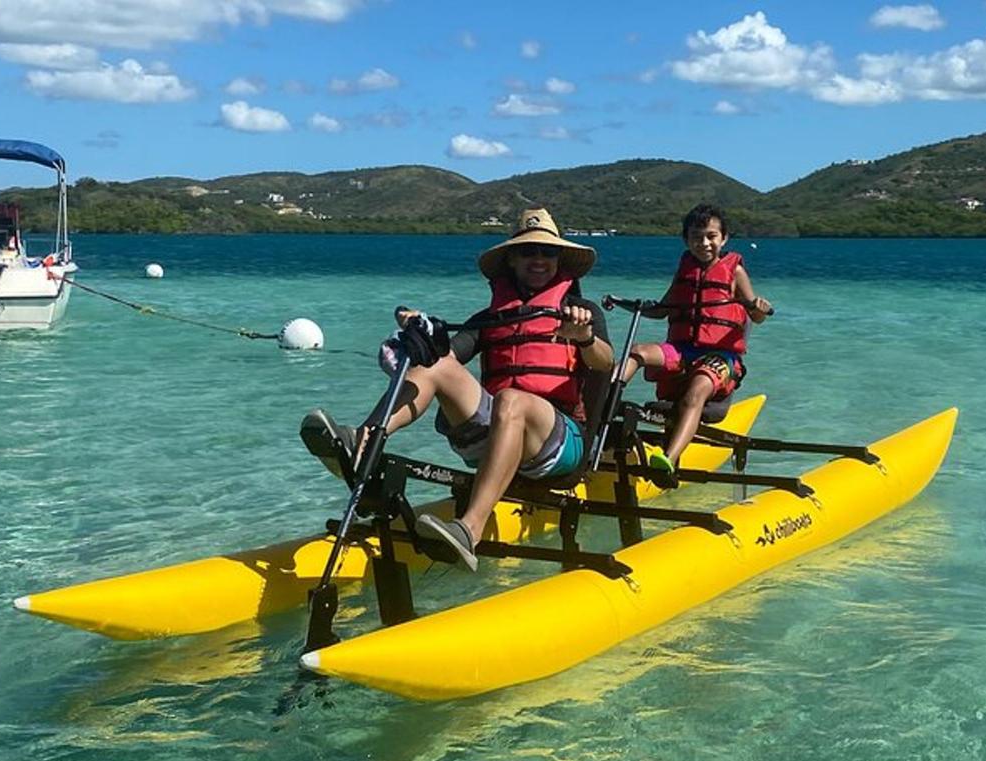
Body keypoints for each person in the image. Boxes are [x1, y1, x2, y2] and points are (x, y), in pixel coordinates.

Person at [301, 208, 614, 571]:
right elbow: (445, 356)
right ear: (511, 259)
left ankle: (469, 529)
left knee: (511, 400)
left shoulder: (581, 312)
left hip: (558, 446)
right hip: (495, 435)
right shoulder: (491, 319)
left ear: (559, 259)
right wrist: (419, 336)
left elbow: (605, 363)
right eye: (528, 251)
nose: (538, 260)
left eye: (547, 252)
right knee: (433, 364)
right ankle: (362, 442)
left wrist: (586, 338)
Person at [619, 203, 772, 483]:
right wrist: (628, 304)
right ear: (686, 240)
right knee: (637, 352)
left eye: (711, 236)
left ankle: (668, 458)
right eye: (696, 237)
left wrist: (759, 307)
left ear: (723, 238)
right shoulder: (684, 271)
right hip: (682, 351)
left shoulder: (734, 272)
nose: (704, 243)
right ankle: (606, 405)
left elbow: (755, 314)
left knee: (696, 390)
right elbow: (663, 308)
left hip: (721, 358)